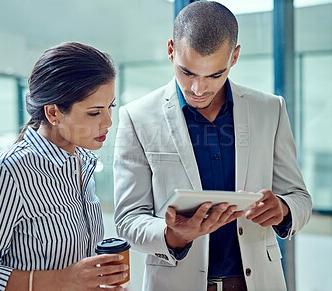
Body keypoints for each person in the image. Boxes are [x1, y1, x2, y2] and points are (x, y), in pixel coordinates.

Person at [113, 2, 312, 291]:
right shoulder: (137, 117)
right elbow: (128, 219)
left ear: (235, 57)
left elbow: (301, 198)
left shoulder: (270, 109)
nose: (198, 89)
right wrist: (173, 235)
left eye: (214, 75)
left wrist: (283, 208)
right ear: (171, 50)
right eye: (187, 72)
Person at [0, 42, 129, 291]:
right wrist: (65, 280)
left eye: (109, 107)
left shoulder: (83, 163)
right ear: (53, 113)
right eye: (94, 113)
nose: (109, 122)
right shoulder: (7, 171)